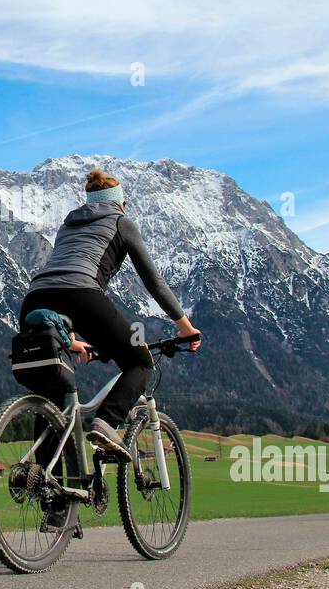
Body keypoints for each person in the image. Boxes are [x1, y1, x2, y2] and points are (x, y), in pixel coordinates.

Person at [19, 167, 200, 466]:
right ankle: (106, 422)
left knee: (53, 392)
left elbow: (59, 280)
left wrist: (70, 340)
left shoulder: (67, 227)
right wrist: (185, 327)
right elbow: (154, 283)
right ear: (119, 203)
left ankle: (52, 496)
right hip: (82, 296)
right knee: (139, 361)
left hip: (34, 301)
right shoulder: (121, 222)